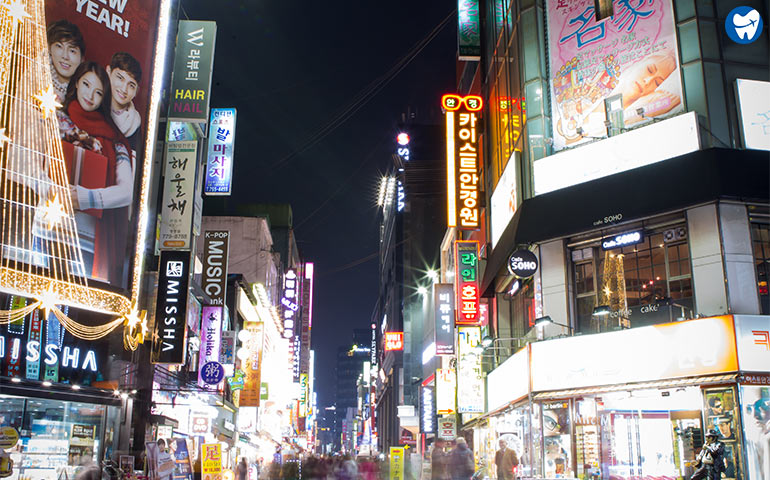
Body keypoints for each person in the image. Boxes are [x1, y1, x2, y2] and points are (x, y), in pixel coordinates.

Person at [56, 61, 132, 284]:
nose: (90, 95)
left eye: (98, 92)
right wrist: (54, 190)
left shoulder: (114, 140)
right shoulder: (55, 120)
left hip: (88, 239)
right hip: (47, 226)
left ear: (104, 98)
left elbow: (126, 191)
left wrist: (84, 197)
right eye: (86, 84)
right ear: (77, 83)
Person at [107, 52, 142, 148]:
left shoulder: (135, 123)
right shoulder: (92, 101)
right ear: (108, 72)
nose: (124, 89)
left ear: (136, 91)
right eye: (120, 78)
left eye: (131, 85)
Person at [47, 20, 85, 102]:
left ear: (82, 59)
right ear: (49, 48)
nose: (65, 56)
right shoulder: (35, 74)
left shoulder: (84, 95)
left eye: (72, 51)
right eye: (59, 46)